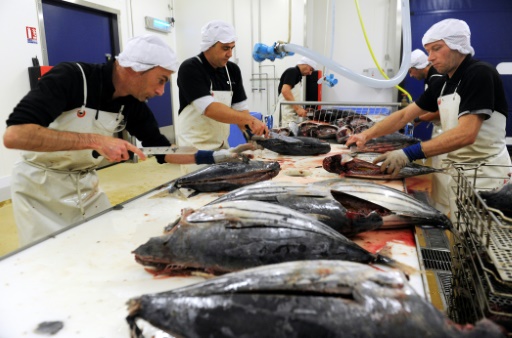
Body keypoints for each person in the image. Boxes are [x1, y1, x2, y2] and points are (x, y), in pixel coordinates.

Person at [3, 34, 253, 246]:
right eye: (161, 80)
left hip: (86, 187)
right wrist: (94, 140)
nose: (160, 92)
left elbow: (163, 151)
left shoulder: (131, 104)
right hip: (40, 190)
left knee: (101, 250)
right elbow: (16, 135)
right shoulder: (72, 77)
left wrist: (218, 156)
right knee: (50, 261)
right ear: (135, 69)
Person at [346, 18, 511, 217]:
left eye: (436, 49)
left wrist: (408, 153)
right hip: (453, 170)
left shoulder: (480, 74)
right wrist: (366, 135)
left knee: (481, 242)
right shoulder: (442, 83)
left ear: (457, 45)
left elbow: (467, 134)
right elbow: (404, 115)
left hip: (483, 175)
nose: (430, 58)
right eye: (428, 50)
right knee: (452, 230)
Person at [176, 20, 268, 174]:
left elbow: (241, 110)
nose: (230, 54)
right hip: (195, 150)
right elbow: (210, 109)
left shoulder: (232, 70)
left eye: (232, 48)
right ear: (208, 46)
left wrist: (251, 136)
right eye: (225, 48)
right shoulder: (191, 68)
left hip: (222, 147)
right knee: (198, 194)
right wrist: (250, 120)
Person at [273, 57, 317, 125]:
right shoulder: (292, 72)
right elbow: (285, 91)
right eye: (310, 69)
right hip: (284, 115)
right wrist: (297, 109)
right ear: (304, 64)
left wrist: (301, 108)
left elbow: (293, 96)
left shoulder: (298, 76)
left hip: (289, 115)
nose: (310, 73)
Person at [408, 49, 443, 127]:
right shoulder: (429, 78)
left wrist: (418, 119)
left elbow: (441, 112)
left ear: (418, 67)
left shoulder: (436, 79)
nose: (410, 75)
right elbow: (430, 105)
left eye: (410, 71)